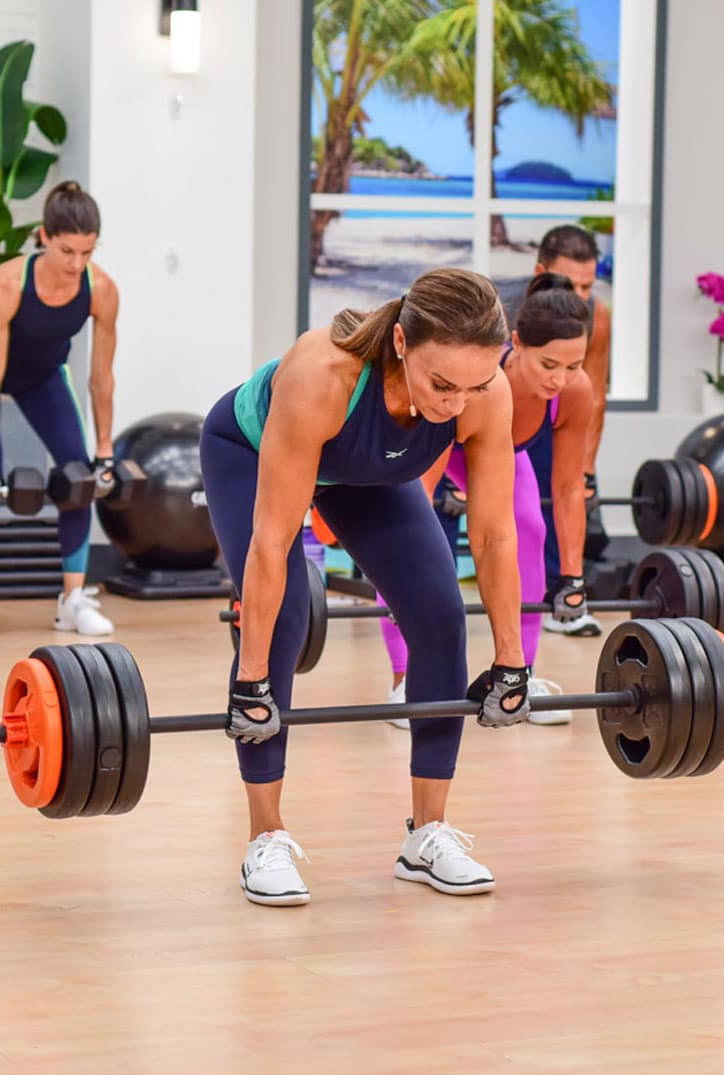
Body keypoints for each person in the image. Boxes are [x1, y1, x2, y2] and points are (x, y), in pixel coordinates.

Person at [200, 268, 531, 907]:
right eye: (442, 384)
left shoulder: (485, 394)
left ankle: (427, 835)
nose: (455, 404)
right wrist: (251, 679)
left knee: (440, 612)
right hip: (249, 450)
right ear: (403, 344)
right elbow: (272, 542)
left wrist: (512, 661)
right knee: (286, 622)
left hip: (366, 476)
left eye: (475, 384)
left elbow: (494, 537)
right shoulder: (323, 375)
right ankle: (264, 837)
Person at [380, 274, 597, 731]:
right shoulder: (476, 375)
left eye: (574, 365)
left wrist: (572, 577)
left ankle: (519, 676)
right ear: (516, 344)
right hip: (438, 433)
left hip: (496, 449)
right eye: (549, 364)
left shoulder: (574, 394)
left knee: (527, 526)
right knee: (403, 526)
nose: (560, 379)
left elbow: (568, 488)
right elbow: (414, 499)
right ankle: (405, 676)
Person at [0, 181, 120, 640]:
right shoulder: (7, 283)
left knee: (78, 476)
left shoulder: (101, 289)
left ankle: (73, 599)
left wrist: (105, 453)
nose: (77, 264)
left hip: (43, 375)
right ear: (44, 236)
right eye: (67, 251)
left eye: (87, 252)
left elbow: (101, 378)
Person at [499, 224, 612, 634]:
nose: (580, 298)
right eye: (571, 284)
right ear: (541, 271)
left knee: (544, 505)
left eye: (588, 285)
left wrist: (587, 469)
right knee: (438, 514)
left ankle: (555, 599)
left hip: (539, 413)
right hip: (461, 422)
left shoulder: (595, 317)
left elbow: (593, 391)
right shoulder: (496, 309)